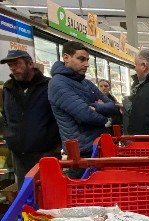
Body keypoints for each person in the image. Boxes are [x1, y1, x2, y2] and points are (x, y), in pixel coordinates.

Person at [48, 41, 117, 178]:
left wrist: (95, 106)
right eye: (81, 59)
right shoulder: (58, 84)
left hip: (98, 147)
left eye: (87, 60)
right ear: (66, 58)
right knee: (82, 193)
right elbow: (85, 114)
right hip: (81, 153)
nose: (86, 64)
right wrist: (106, 119)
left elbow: (112, 106)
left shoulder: (85, 83)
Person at [0, 50, 61, 189]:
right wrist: (10, 136)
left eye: (17, 64)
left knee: (49, 192)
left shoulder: (48, 85)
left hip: (46, 152)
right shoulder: (8, 87)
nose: (13, 68)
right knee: (26, 192)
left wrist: (54, 142)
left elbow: (58, 115)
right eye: (10, 65)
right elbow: (5, 114)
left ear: (30, 64)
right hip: (19, 153)